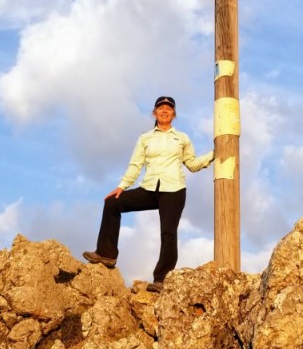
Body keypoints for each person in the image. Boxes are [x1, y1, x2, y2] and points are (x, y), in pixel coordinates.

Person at [83, 96, 214, 293]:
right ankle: (106, 253)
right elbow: (135, 165)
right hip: (150, 188)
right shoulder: (145, 138)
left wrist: (215, 153)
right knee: (112, 203)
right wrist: (122, 186)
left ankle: (161, 279)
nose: (164, 111)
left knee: (168, 232)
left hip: (174, 190)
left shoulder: (182, 138)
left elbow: (193, 165)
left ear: (174, 114)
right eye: (161, 108)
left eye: (169, 109)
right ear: (154, 113)